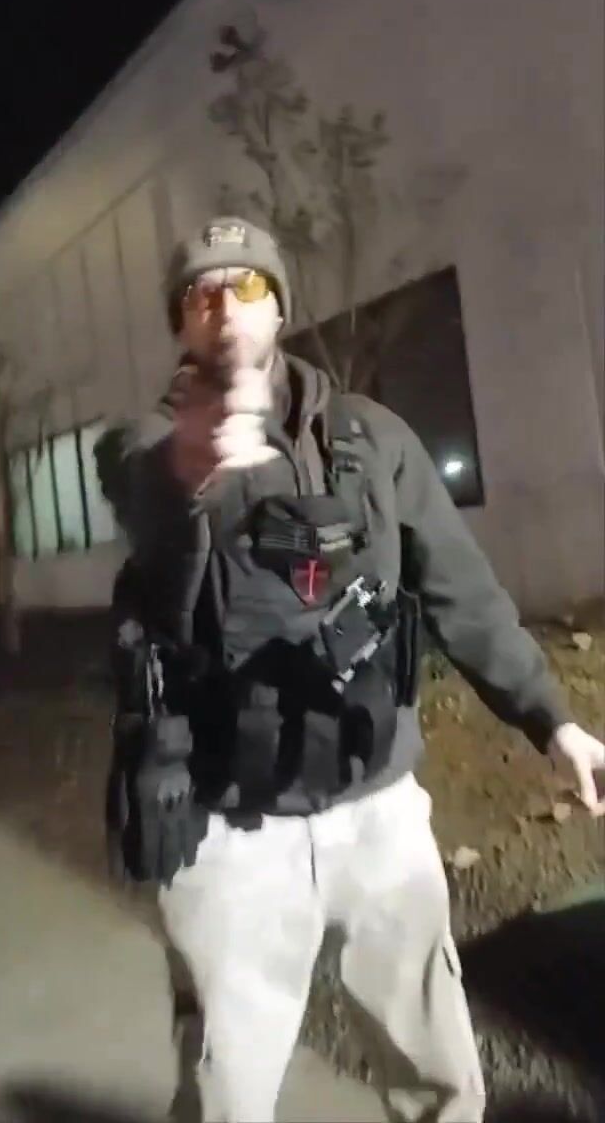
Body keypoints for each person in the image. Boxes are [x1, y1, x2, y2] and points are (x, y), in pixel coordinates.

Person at [95, 216, 605, 1123]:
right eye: (201, 294)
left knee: (440, 1075)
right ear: (180, 323)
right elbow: (149, 496)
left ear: (279, 306)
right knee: (225, 1093)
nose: (225, 306)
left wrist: (550, 718)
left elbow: (460, 590)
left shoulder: (371, 437)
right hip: (232, 834)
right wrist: (193, 463)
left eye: (248, 285)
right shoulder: (146, 443)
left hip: (379, 814)